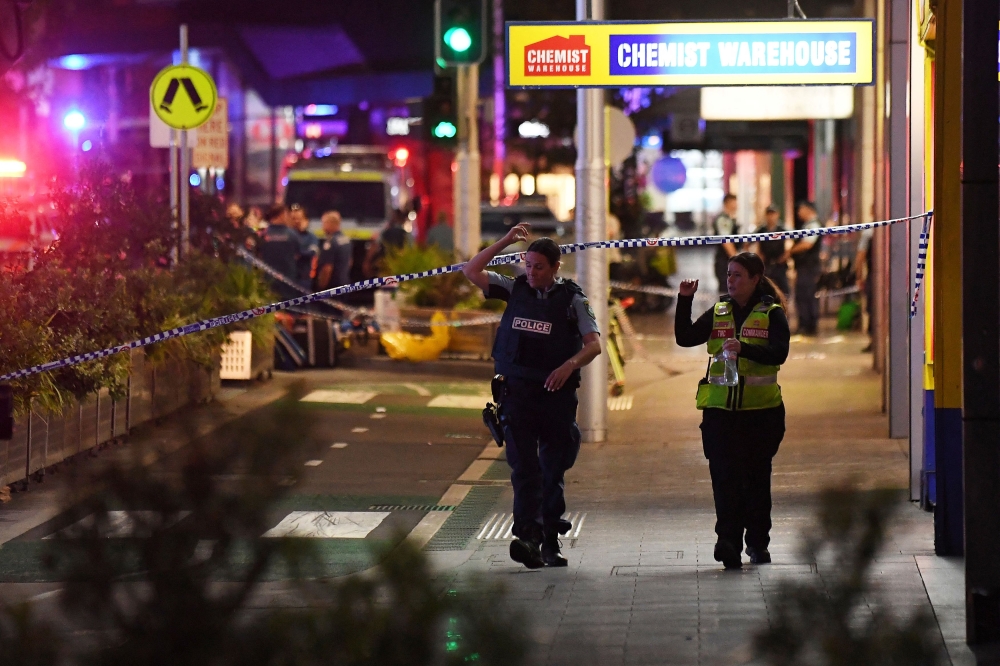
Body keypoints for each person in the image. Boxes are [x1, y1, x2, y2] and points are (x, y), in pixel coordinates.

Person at [462, 223, 602, 569]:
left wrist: (568, 366)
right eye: (527, 264)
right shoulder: (515, 289)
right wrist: (506, 240)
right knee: (524, 470)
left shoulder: (573, 300)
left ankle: (549, 538)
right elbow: (471, 270)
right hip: (518, 396)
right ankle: (528, 538)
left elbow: (594, 345)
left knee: (551, 470)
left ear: (556, 267)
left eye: (539, 266)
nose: (531, 271)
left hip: (554, 398)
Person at [674, 252, 790, 570]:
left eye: (738, 275)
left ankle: (757, 543)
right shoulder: (720, 311)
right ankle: (727, 542)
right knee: (724, 479)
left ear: (755, 279)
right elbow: (684, 338)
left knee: (754, 480)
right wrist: (685, 300)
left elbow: (780, 352)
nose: (731, 280)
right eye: (729, 274)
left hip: (760, 413)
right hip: (720, 413)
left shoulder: (771, 313)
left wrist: (745, 348)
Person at [780, 201, 823, 336]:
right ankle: (806, 324)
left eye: (801, 209)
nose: (799, 213)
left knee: (806, 295)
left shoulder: (813, 225)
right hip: (805, 267)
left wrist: (791, 251)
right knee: (802, 295)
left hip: (809, 267)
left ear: (808, 210)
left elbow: (807, 244)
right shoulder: (807, 225)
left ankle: (808, 325)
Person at [257, 204, 300, 298]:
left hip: (268, 277)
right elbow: (297, 255)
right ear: (282, 215)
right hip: (287, 278)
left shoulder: (262, 234)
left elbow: (258, 254)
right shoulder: (293, 235)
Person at [753, 205, 790, 299]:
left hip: (780, 265)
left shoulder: (782, 230)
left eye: (773, 214)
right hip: (766, 265)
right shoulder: (761, 230)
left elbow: (792, 242)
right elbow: (748, 242)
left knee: (784, 292)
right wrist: (757, 257)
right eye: (769, 214)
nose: (771, 217)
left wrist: (787, 254)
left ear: (777, 215)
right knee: (765, 290)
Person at [315, 210, 353, 291]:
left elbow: (327, 268)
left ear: (331, 224)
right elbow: (349, 262)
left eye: (324, 224)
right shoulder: (346, 240)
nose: (323, 227)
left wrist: (321, 286)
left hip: (332, 287)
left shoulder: (330, 243)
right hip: (344, 283)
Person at [712, 194, 741, 296]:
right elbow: (726, 241)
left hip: (727, 262)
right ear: (728, 203)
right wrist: (737, 259)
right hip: (724, 262)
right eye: (734, 202)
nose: (736, 205)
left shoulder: (730, 219)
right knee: (726, 294)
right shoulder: (723, 220)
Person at [290, 204, 319, 290]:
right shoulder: (287, 235)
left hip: (303, 278)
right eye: (294, 219)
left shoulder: (311, 237)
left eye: (299, 218)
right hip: (288, 277)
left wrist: (299, 254)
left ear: (306, 220)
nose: (297, 221)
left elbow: (313, 251)